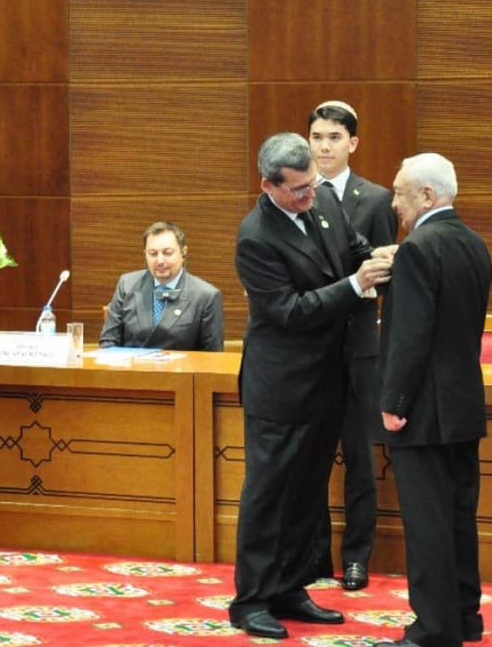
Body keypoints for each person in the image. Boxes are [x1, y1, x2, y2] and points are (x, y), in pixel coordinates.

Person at [229, 132, 395, 640]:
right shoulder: (255, 236)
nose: (309, 195)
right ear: (268, 185)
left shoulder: (323, 198)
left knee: (307, 490)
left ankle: (292, 585)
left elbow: (353, 248)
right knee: (270, 491)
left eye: (312, 185)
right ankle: (252, 598)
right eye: (298, 190)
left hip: (329, 378)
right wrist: (356, 285)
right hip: (279, 385)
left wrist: (384, 260)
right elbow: (289, 311)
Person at [373, 153, 492, 647]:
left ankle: (434, 629)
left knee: (427, 524)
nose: (394, 202)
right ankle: (465, 617)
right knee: (458, 518)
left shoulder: (418, 248)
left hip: (423, 410)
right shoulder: (474, 243)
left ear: (427, 195)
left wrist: (393, 400)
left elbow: (410, 336)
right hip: (463, 405)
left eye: (400, 192)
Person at [308, 99, 397, 591]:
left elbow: (386, 282)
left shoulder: (377, 200)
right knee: (313, 457)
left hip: (361, 346)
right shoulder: (299, 195)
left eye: (334, 138)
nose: (325, 146)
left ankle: (357, 556)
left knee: (360, 458)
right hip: (313, 347)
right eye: (318, 137)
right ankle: (316, 553)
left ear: (352, 144)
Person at [99, 220, 224, 351]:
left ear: (183, 252)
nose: (159, 261)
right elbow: (108, 343)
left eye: (167, 253)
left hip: (180, 370)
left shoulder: (206, 296)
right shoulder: (127, 285)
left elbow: (212, 356)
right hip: (133, 369)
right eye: (152, 254)